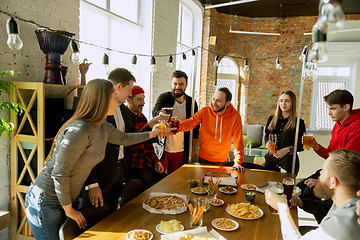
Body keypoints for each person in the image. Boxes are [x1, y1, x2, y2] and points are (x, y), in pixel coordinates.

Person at [24, 79, 163, 240]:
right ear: (101, 100)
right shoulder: (80, 130)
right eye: (113, 96)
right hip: (47, 199)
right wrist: (69, 210)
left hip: (65, 197)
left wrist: (154, 133)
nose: (119, 99)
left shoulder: (102, 126)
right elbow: (59, 174)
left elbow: (125, 138)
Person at [82, 68, 157, 211]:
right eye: (129, 89)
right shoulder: (98, 111)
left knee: (112, 214)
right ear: (119, 87)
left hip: (119, 170)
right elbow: (86, 153)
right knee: (94, 216)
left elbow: (130, 137)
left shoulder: (122, 109)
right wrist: (92, 183)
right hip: (100, 175)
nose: (130, 94)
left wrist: (155, 133)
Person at [294, 89, 360, 222]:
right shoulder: (338, 125)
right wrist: (316, 146)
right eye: (328, 108)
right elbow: (331, 154)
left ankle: (328, 225)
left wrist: (323, 181)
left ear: (346, 107)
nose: (329, 112)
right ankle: (324, 223)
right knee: (299, 188)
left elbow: (346, 164)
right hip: (335, 170)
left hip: (348, 176)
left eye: (333, 109)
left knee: (308, 193)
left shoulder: (357, 126)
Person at [266, 148, 360, 240]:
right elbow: (325, 207)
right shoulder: (350, 203)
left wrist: (282, 207)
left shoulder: (341, 224)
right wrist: (301, 203)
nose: (319, 174)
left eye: (323, 171)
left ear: (333, 182)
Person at [177, 87, 245, 171]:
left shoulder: (235, 117)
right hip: (203, 159)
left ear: (227, 103)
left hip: (221, 161)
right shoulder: (205, 112)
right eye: (214, 99)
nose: (214, 103)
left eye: (218, 101)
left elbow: (238, 142)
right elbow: (190, 123)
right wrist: (177, 126)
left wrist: (238, 162)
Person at [152, 70, 200, 174]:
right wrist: (161, 113)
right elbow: (154, 112)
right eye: (175, 84)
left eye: (181, 84)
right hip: (163, 149)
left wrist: (192, 151)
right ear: (171, 83)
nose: (177, 87)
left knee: (174, 179)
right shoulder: (164, 97)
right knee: (159, 178)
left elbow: (195, 128)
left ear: (186, 85)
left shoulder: (191, 103)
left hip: (180, 150)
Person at [127, 85, 169, 189]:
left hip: (147, 164)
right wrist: (150, 125)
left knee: (167, 182)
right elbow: (133, 142)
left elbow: (149, 145)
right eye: (139, 99)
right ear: (128, 100)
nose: (143, 103)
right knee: (152, 190)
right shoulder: (125, 119)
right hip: (134, 167)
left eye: (144, 99)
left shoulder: (142, 118)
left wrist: (156, 161)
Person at [263, 90, 305, 175]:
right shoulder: (271, 119)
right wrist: (267, 143)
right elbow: (266, 137)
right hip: (270, 159)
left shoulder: (299, 122)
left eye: (287, 101)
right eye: (281, 101)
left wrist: (288, 149)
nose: (283, 104)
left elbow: (302, 146)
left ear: (292, 103)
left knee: (283, 186)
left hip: (288, 162)